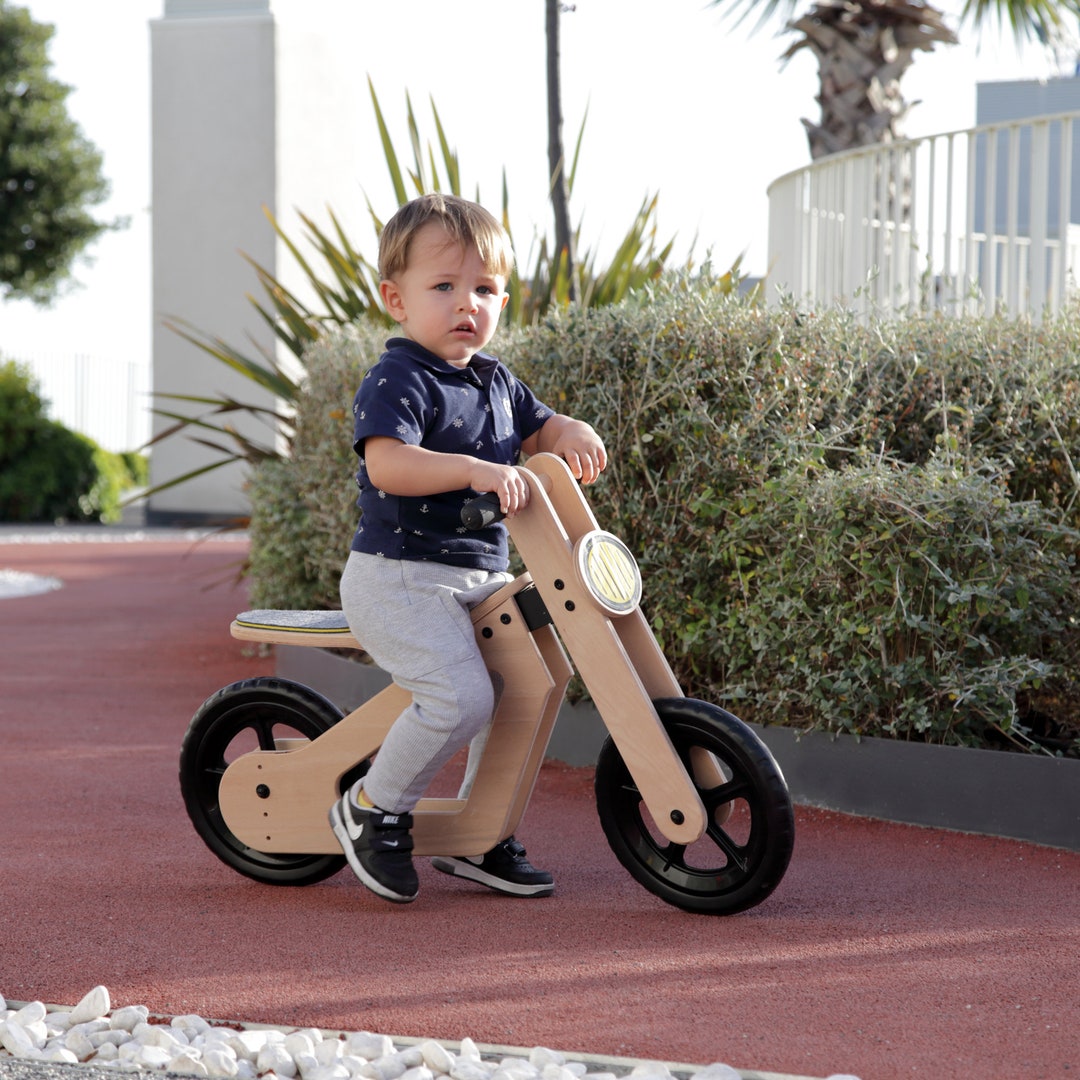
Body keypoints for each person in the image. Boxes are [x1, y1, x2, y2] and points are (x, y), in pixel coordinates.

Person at [329, 193, 607, 904]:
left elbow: (540, 430)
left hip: (477, 578)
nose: (467, 304)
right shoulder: (400, 378)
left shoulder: (497, 382)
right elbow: (388, 463)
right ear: (396, 299)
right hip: (400, 578)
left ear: (503, 298)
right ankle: (371, 809)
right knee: (459, 697)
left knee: (532, 684)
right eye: (445, 286)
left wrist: (567, 431)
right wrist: (473, 469)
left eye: (484, 289)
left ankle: (482, 831)